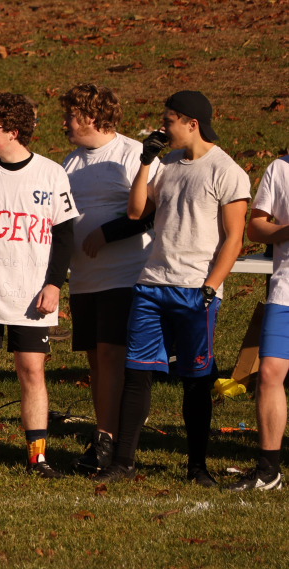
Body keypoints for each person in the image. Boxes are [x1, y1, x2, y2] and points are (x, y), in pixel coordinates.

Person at [95, 91, 250, 487]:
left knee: (196, 379)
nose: (162, 128)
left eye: (169, 122)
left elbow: (234, 238)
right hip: (151, 287)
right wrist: (145, 161)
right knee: (138, 374)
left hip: (195, 291)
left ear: (191, 123)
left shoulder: (226, 170)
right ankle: (124, 462)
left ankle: (197, 467)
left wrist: (211, 288)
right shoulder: (166, 164)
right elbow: (135, 212)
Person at [0, 92, 76, 480]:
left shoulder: (51, 173)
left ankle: (38, 457)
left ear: (14, 131)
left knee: (31, 372)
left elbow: (66, 235)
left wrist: (55, 284)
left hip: (33, 295)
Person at [59, 84, 159, 472]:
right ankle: (103, 438)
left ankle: (110, 442)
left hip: (125, 274)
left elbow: (151, 211)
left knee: (113, 356)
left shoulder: (132, 154)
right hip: (83, 279)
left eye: (70, 115)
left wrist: (108, 233)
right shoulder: (69, 163)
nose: (64, 122)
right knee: (96, 363)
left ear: (90, 116)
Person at [227, 156, 289, 491]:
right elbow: (255, 228)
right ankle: (268, 472)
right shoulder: (280, 168)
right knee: (268, 373)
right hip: (285, 292)